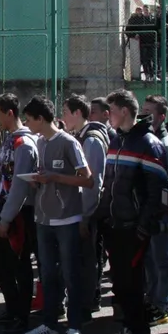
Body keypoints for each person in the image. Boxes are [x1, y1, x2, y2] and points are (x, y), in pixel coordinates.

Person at [96, 90, 168, 334]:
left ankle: (139, 331)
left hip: (133, 228)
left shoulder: (149, 143)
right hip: (115, 225)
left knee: (133, 282)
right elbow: (109, 185)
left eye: (112, 110)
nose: (109, 115)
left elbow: (157, 192)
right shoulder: (116, 141)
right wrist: (102, 216)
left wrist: (143, 226)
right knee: (120, 281)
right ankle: (129, 327)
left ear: (125, 111)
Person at [23, 96, 92, 334]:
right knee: (48, 274)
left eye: (29, 120)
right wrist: (37, 180)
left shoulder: (68, 142)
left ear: (41, 119)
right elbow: (47, 176)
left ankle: (74, 327)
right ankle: (49, 324)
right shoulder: (40, 142)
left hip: (67, 219)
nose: (27, 124)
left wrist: (54, 177)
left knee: (71, 274)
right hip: (43, 219)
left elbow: (88, 179)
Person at [0, 93, 39, 334]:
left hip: (17, 213)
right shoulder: (8, 140)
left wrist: (6, 218)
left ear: (10, 113)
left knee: (18, 265)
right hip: (1, 208)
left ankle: (22, 315)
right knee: (0, 264)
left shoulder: (24, 143)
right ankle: (11, 308)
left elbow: (20, 185)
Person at [61, 94, 109, 315]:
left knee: (88, 259)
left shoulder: (90, 140)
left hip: (88, 212)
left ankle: (87, 304)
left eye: (65, 112)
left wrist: (85, 215)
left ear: (78, 113)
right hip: (80, 210)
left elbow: (93, 182)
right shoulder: (79, 137)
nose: (62, 117)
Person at [140, 95, 168, 326]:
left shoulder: (165, 145)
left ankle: (162, 305)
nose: (143, 116)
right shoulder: (147, 139)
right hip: (147, 209)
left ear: (162, 116)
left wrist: (167, 210)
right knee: (150, 259)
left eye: (149, 112)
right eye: (143, 110)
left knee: (162, 258)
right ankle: (152, 299)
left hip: (160, 212)